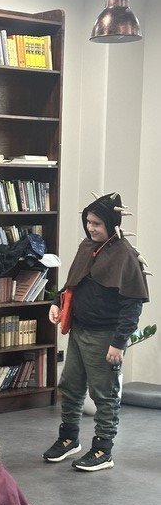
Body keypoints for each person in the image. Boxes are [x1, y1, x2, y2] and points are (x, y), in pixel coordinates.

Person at [43, 192, 150, 471]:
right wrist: (57, 303)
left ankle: (103, 450)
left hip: (105, 337)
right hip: (79, 330)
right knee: (70, 386)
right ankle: (69, 439)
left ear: (112, 223)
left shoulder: (125, 256)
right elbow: (73, 282)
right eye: (88, 222)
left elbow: (132, 306)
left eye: (97, 223)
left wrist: (118, 342)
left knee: (104, 394)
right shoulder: (87, 247)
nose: (91, 228)